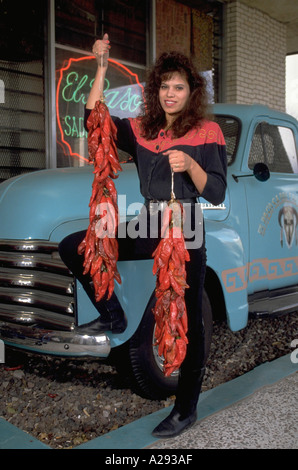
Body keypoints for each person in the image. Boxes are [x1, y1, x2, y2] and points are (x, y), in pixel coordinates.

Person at [58, 34, 227, 438]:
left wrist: (189, 165)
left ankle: (186, 408)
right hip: (150, 220)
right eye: (164, 86)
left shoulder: (208, 131)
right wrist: (100, 67)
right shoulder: (141, 129)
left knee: (189, 318)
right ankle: (114, 312)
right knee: (76, 246)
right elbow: (93, 121)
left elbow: (217, 192)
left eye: (179, 87)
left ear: (192, 92)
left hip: (185, 227)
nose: (171, 93)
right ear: (156, 91)